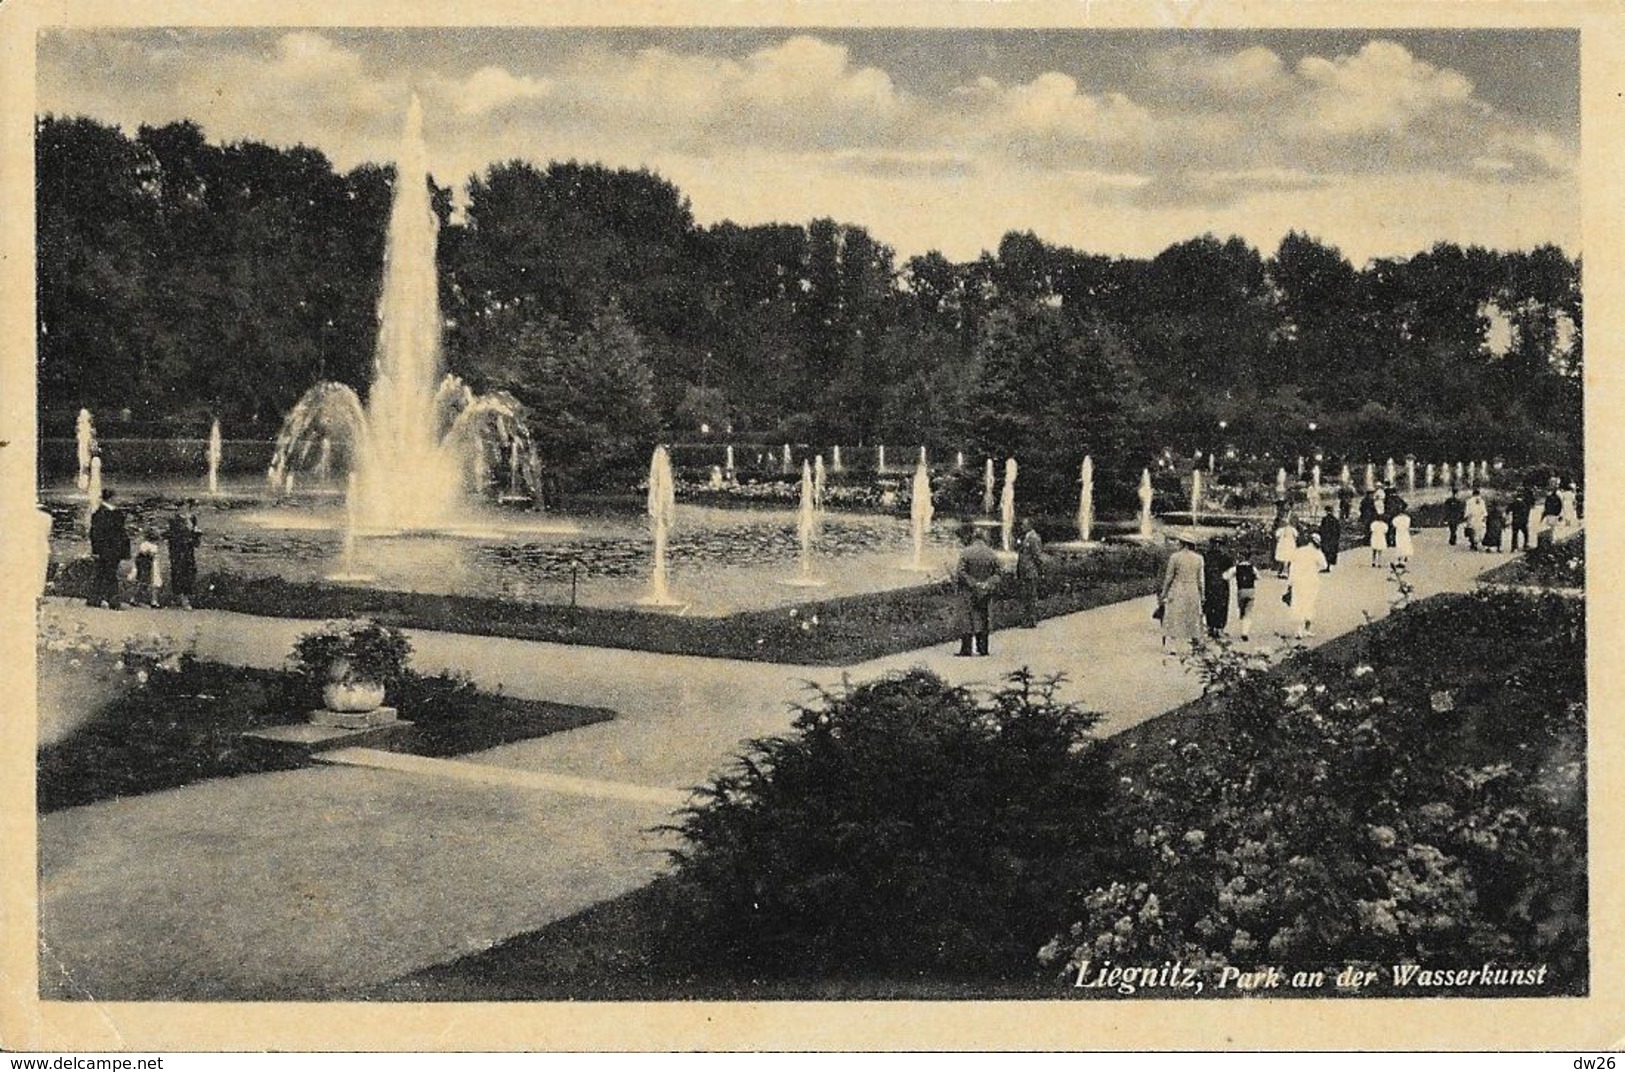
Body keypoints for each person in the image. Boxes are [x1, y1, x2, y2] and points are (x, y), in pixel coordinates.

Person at [953, 524, 1001, 656]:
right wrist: (987, 584)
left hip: (969, 591)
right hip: (985, 590)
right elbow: (998, 574)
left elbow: (960, 572)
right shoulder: (991, 553)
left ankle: (966, 649)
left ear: (973, 538)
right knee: (983, 617)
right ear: (984, 539)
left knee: (967, 618)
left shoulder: (966, 552)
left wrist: (973, 583)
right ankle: (983, 648)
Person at [1158, 532, 1206, 651]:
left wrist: (1164, 592)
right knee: (1192, 616)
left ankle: (1173, 646)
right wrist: (1202, 594)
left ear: (1182, 543)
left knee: (1175, 616)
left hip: (1177, 588)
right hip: (1192, 588)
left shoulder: (1175, 557)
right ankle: (1194, 644)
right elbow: (1200, 579)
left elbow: (1169, 577)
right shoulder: (1199, 558)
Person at [86, 487, 130, 609]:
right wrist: (96, 550)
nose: (118, 499)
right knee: (107, 574)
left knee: (105, 574)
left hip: (112, 549)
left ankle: (97, 599)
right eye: (116, 497)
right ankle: (110, 601)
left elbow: (121, 534)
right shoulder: (102, 513)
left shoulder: (108, 512)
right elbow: (95, 534)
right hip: (107, 549)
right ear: (111, 498)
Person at [1287, 532, 1329, 638]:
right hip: (1311, 581)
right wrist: (1316, 569)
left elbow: (1292, 567)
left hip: (1298, 581)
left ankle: (1298, 630)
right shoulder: (1316, 553)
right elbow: (1324, 565)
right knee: (1309, 604)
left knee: (1297, 604)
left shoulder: (1298, 551)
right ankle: (1306, 629)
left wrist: (1290, 583)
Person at [165, 502, 202, 610]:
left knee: (190, 570)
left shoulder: (192, 518)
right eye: (182, 507)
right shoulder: (174, 520)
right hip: (178, 549)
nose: (185, 509)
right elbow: (171, 535)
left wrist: (196, 535)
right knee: (178, 570)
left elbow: (195, 532)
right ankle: (182, 597)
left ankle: (185, 595)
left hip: (188, 549)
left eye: (186, 507)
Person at [1201, 537, 1233, 638]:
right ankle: (1219, 628)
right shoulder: (1225, 557)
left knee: (1210, 605)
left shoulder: (1205, 556)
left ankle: (1211, 627)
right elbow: (1230, 570)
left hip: (1209, 583)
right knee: (1221, 606)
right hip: (1221, 584)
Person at [1015, 518, 1044, 628]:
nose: (1022, 526)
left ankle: (1031, 620)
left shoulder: (1033, 538)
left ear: (1029, 526)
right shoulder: (1026, 537)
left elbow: (1036, 555)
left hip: (1030, 572)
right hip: (1025, 572)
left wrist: (1039, 569)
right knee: (1026, 596)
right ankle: (1027, 619)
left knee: (1030, 596)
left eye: (1024, 524)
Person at [134, 529, 163, 608]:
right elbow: (143, 553)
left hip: (154, 565)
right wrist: (150, 554)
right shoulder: (145, 545)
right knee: (144, 581)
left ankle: (154, 600)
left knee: (155, 582)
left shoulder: (154, 546)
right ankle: (136, 599)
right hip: (147, 565)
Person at [1233, 553, 1259, 641]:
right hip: (1250, 590)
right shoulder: (1252, 568)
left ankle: (1242, 614)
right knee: (1248, 612)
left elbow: (1226, 576)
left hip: (1241, 590)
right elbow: (1258, 577)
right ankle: (1245, 632)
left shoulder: (1236, 568)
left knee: (1242, 609)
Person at [1464, 487, 1488, 552]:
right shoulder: (1482, 501)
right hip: (1479, 518)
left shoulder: (1469, 501)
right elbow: (1484, 511)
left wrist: (1466, 517)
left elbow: (1467, 511)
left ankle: (1473, 543)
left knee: (1472, 530)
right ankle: (1476, 543)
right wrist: (1484, 518)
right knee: (1479, 531)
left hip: (1472, 518)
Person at [1318, 507, 1341, 571]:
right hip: (1332, 539)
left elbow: (1321, 529)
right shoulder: (1335, 520)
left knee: (1327, 552)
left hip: (1327, 539)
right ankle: (1329, 566)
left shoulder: (1325, 519)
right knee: (1331, 552)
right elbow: (1338, 530)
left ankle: (1328, 566)